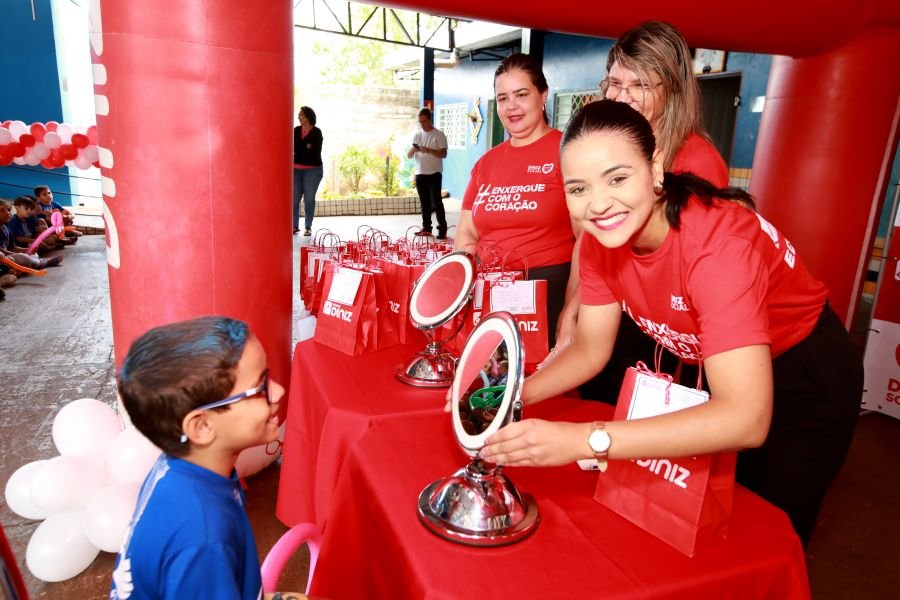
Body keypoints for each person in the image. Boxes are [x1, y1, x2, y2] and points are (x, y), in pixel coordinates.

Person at [479, 100, 862, 546]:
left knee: (761, 537)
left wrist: (585, 440)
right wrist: (512, 396)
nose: (599, 204)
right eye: (577, 189)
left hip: (802, 374)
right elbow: (589, 349)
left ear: (655, 168)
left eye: (618, 179)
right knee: (705, 528)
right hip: (725, 372)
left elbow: (746, 417)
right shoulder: (604, 241)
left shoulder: (717, 248)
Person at [563, 20, 731, 400]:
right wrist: (573, 305)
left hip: (667, 333)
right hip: (621, 312)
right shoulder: (609, 149)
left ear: (671, 90)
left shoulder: (697, 163)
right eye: (615, 83)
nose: (623, 97)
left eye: (639, 85)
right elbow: (590, 243)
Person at [111, 316, 284, 599]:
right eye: (260, 386)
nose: (278, 391)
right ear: (201, 426)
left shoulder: (176, 467)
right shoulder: (202, 537)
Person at [455, 53, 578, 348]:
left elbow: (589, 239)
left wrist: (573, 308)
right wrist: (470, 286)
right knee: (488, 382)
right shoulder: (486, 163)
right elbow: (467, 232)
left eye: (521, 94)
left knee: (535, 386)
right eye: (503, 98)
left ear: (543, 95)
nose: (512, 106)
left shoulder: (569, 152)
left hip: (547, 291)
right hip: (489, 289)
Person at [407, 107, 449, 239]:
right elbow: (408, 155)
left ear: (430, 120)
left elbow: (444, 154)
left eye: (424, 121)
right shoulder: (417, 135)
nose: (422, 124)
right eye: (420, 122)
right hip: (420, 174)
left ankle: (442, 229)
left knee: (437, 203)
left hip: (434, 174)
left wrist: (429, 150)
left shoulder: (439, 135)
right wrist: (413, 150)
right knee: (424, 204)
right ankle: (426, 228)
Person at [0, 200, 62, 285]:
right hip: (4, 259)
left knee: (33, 254)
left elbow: (12, 247)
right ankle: (42, 262)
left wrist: (27, 250)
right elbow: (2, 251)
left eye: (8, 210)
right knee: (20, 257)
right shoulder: (13, 222)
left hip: (9, 257)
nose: (8, 213)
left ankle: (25, 266)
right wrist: (23, 253)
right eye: (2, 210)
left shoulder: (6, 227)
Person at [293, 106, 324, 237]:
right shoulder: (296, 130)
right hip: (295, 169)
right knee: (294, 199)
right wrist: (304, 149)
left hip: (313, 170)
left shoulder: (317, 132)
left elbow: (314, 153)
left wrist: (299, 152)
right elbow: (293, 147)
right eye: (299, 115)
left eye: (301, 115)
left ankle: (308, 226)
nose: (298, 117)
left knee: (309, 199)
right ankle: (294, 225)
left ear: (308, 117)